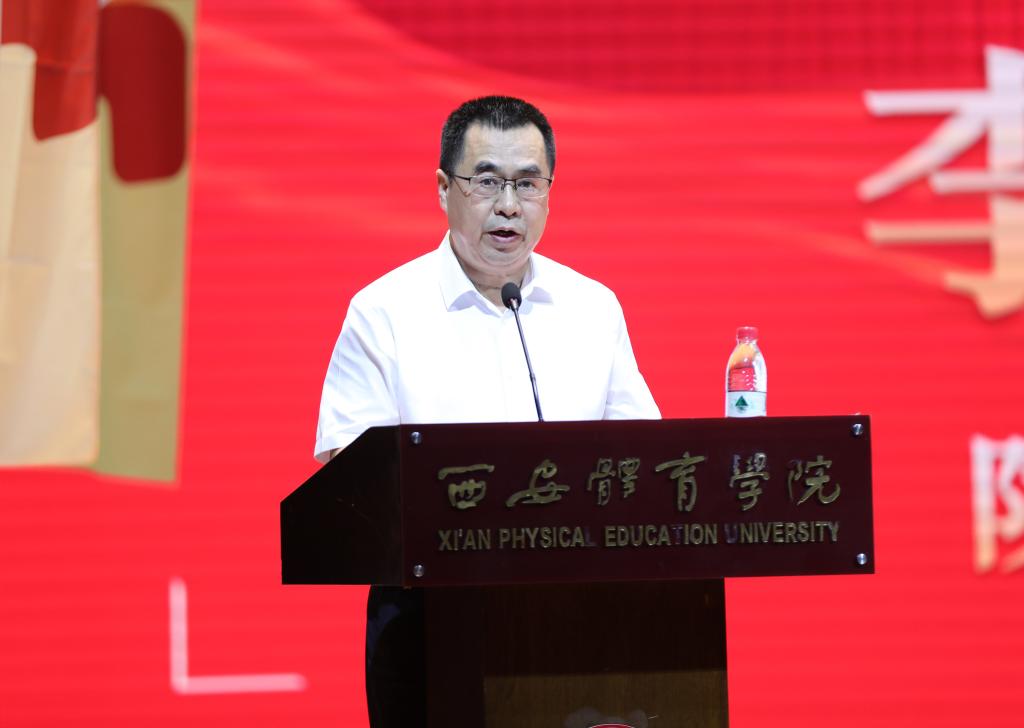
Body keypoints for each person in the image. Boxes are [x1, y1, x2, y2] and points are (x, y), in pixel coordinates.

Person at [314, 95, 660, 726]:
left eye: (528, 183)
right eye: (487, 182)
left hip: (579, 614)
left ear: (549, 193)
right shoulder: (383, 312)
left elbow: (645, 461)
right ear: (444, 188)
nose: (508, 205)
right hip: (428, 624)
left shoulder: (592, 308)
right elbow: (352, 481)